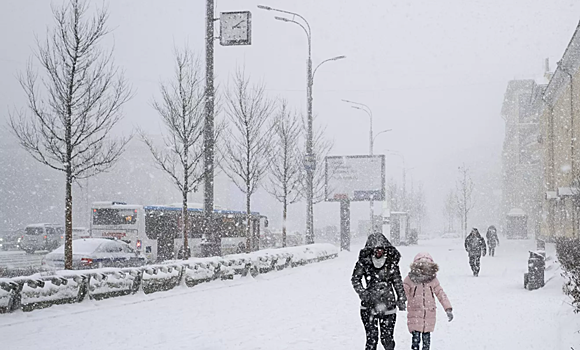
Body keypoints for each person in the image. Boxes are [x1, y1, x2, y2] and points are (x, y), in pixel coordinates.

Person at [351, 233, 407, 350]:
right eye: (376, 249)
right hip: (369, 306)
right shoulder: (364, 262)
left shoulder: (391, 263)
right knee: (372, 339)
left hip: (388, 304)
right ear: (371, 250)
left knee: (387, 339)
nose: (379, 251)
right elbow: (355, 279)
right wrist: (363, 294)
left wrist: (401, 297)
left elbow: (397, 281)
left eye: (381, 249)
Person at [403, 252, 453, 350]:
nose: (424, 270)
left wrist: (448, 308)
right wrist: (399, 301)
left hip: (429, 314)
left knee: (426, 340)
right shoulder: (410, 279)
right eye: (421, 267)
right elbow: (403, 292)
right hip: (415, 313)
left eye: (426, 267)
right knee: (415, 339)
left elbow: (441, 294)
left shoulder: (433, 280)